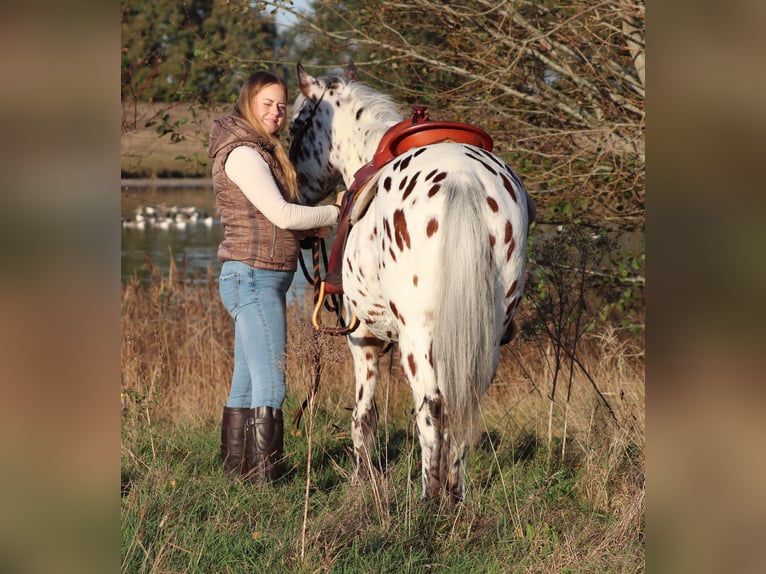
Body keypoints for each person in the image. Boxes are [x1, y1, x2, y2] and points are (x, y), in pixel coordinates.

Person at [208, 71, 341, 484]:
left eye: (282, 105)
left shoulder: (257, 150)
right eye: (267, 103)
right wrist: (338, 213)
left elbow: (271, 221)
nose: (276, 112)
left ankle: (236, 478)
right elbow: (281, 214)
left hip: (254, 277)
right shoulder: (244, 153)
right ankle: (267, 480)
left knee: (246, 386)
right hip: (254, 277)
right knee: (272, 386)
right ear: (248, 103)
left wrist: (305, 232)